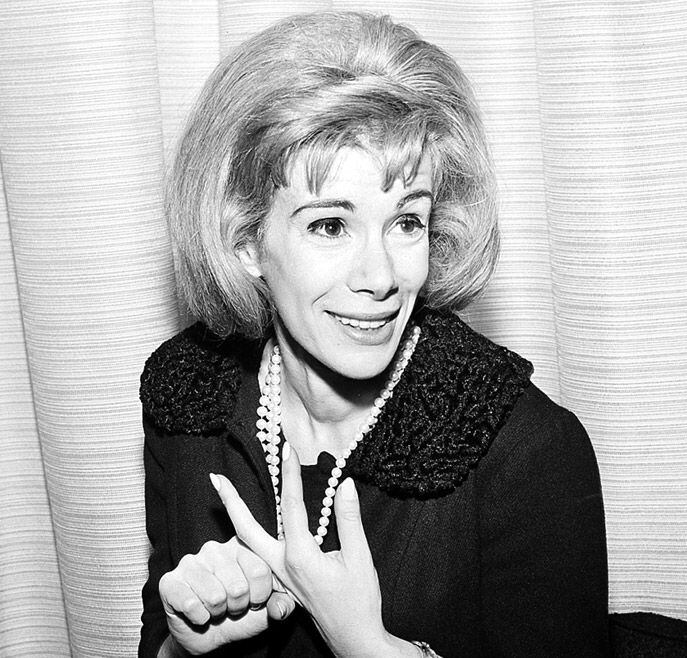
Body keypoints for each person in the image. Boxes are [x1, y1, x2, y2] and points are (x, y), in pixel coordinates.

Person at [139, 11, 608, 657]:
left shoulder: (527, 451)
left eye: (406, 222)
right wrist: (185, 647)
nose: (381, 277)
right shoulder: (188, 394)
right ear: (244, 240)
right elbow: (157, 638)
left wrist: (367, 643)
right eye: (330, 225)